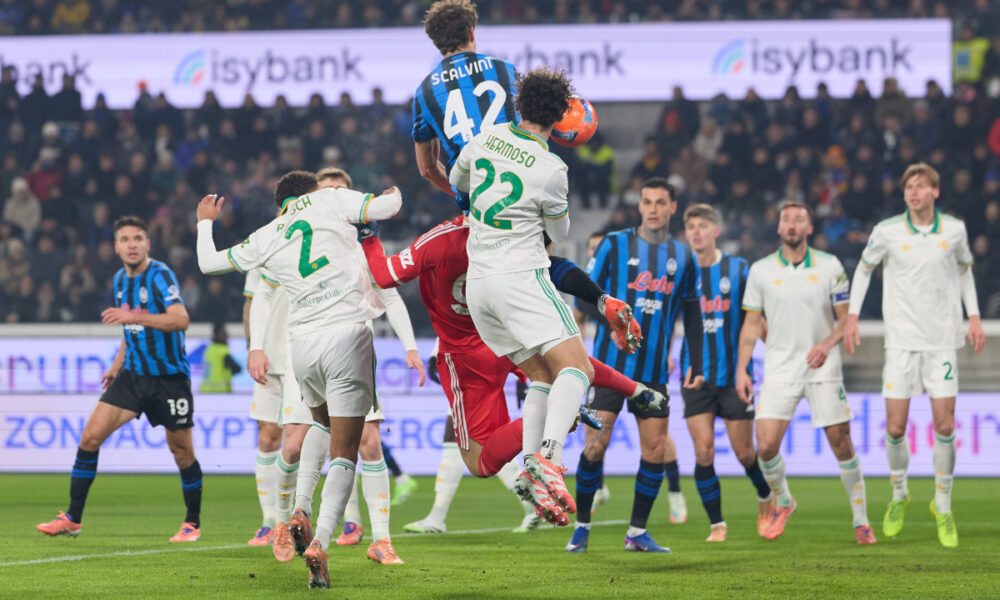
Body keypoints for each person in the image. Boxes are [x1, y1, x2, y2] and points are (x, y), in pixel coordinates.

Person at [361, 214, 653, 535]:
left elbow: (385, 275)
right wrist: (635, 389)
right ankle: (550, 444)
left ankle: (534, 458)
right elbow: (556, 268)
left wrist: (368, 234)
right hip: (509, 324)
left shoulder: (444, 237)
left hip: (465, 351)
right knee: (565, 365)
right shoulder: (515, 230)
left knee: (480, 461)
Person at [195, 172, 402, 589]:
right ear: (313, 191)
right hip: (347, 333)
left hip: (301, 349)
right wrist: (393, 192)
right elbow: (387, 209)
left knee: (319, 426)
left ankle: (298, 507)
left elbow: (208, 263)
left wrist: (204, 223)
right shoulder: (331, 200)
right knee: (345, 450)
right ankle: (321, 540)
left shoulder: (269, 232)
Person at [450, 67, 593, 529]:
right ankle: (550, 458)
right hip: (519, 277)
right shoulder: (553, 169)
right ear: (559, 116)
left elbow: (459, 182)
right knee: (578, 368)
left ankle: (532, 467)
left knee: (541, 375)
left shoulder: (485, 138)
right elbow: (560, 232)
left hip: (479, 287)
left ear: (520, 104)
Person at [844, 163, 985, 548]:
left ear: (935, 192)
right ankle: (900, 493)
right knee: (894, 428)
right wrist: (852, 315)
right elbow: (864, 269)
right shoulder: (887, 231)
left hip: (941, 341)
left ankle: (943, 505)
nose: (914, 193)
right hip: (901, 343)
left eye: (921, 187)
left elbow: (965, 272)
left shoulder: (954, 230)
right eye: (909, 187)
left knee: (944, 426)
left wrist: (974, 316)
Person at [37, 216, 202, 543]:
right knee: (89, 438)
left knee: (181, 452)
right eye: (125, 239)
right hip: (132, 376)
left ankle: (192, 523)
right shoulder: (118, 281)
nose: (132, 245)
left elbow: (181, 320)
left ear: (147, 244)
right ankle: (73, 518)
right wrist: (117, 363)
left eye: (138, 238)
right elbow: (131, 331)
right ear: (116, 247)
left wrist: (133, 316)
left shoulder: (160, 275)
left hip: (169, 379)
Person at [566, 178, 705, 554]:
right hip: (610, 368)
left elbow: (692, 312)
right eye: (648, 201)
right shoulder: (613, 244)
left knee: (656, 449)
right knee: (596, 443)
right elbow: (584, 292)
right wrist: (609, 323)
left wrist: (695, 360)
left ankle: (637, 533)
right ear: (640, 206)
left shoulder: (684, 256)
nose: (654, 208)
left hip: (654, 372)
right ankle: (581, 527)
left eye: (661, 202)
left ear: (673, 207)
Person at [735, 201, 876, 545]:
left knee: (841, 444)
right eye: (787, 219)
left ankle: (861, 520)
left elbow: (845, 319)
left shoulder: (830, 266)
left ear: (810, 228)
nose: (792, 224)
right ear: (779, 228)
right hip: (780, 367)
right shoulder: (761, 270)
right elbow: (752, 324)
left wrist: (827, 344)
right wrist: (742, 369)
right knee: (765, 446)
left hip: (823, 367)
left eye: (799, 219)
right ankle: (784, 500)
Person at [678, 204, 774, 542]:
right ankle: (717, 524)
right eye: (691, 226)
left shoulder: (738, 270)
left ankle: (765, 495)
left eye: (703, 225)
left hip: (734, 377)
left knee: (745, 453)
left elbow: (755, 318)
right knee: (703, 451)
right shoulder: (680, 272)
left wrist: (776, 351)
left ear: (716, 231)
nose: (696, 232)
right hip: (695, 377)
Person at [242, 265, 315, 556]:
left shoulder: (319, 237)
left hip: (303, 356)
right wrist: (253, 347)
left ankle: (299, 516)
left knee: (300, 442)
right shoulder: (265, 250)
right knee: (267, 436)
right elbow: (251, 302)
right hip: (270, 358)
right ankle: (269, 521)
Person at [413, 0, 519, 199]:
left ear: (436, 42)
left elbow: (427, 169)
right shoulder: (505, 69)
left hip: (478, 211)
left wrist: (466, 193)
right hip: (522, 190)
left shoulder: (424, 92)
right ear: (471, 32)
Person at [199, 322, 241, 393]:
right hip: (220, 392)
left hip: (205, 390)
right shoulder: (223, 351)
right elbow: (237, 368)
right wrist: (228, 373)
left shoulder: (209, 350)